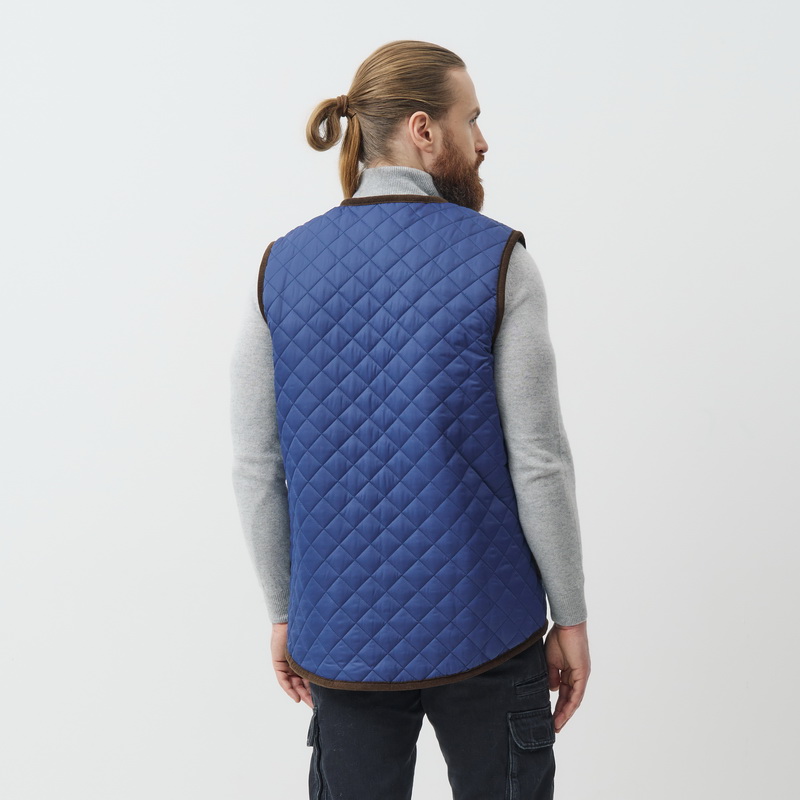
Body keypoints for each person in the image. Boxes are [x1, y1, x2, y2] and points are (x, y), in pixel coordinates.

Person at [230, 39, 590, 800]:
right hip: (489, 629)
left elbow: (258, 465)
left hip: (341, 634)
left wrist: (284, 611)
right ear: (423, 129)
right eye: (472, 118)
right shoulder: (499, 260)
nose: (483, 141)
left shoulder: (280, 267)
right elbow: (539, 460)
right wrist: (571, 616)